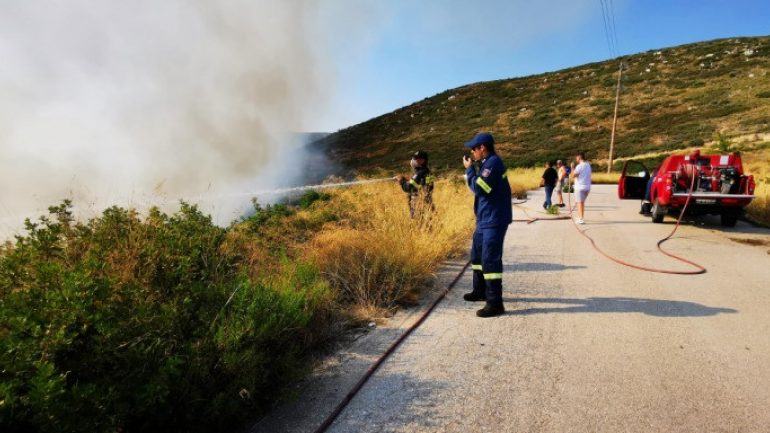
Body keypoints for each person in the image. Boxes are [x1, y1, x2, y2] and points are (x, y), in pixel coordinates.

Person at [461, 132, 512, 318]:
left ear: (483, 147)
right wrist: (473, 169)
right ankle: (480, 291)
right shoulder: (485, 164)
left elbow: (480, 188)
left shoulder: (493, 163)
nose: (472, 152)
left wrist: (469, 171)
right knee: (477, 257)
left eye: (474, 148)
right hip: (484, 219)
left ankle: (495, 303)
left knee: (490, 259)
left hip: (494, 219)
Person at [395, 150, 435, 218]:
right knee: (428, 225)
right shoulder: (427, 172)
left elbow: (409, 187)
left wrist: (402, 181)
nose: (414, 160)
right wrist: (409, 179)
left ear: (423, 160)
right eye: (415, 158)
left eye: (417, 159)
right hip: (427, 202)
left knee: (420, 225)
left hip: (418, 204)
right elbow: (424, 186)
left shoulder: (420, 173)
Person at [570, 152, 592, 224]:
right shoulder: (588, 165)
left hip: (580, 187)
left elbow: (573, 175)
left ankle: (581, 219)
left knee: (580, 203)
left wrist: (572, 167)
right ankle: (580, 217)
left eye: (576, 157)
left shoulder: (579, 166)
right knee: (582, 203)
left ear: (579, 157)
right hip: (587, 187)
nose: (576, 159)